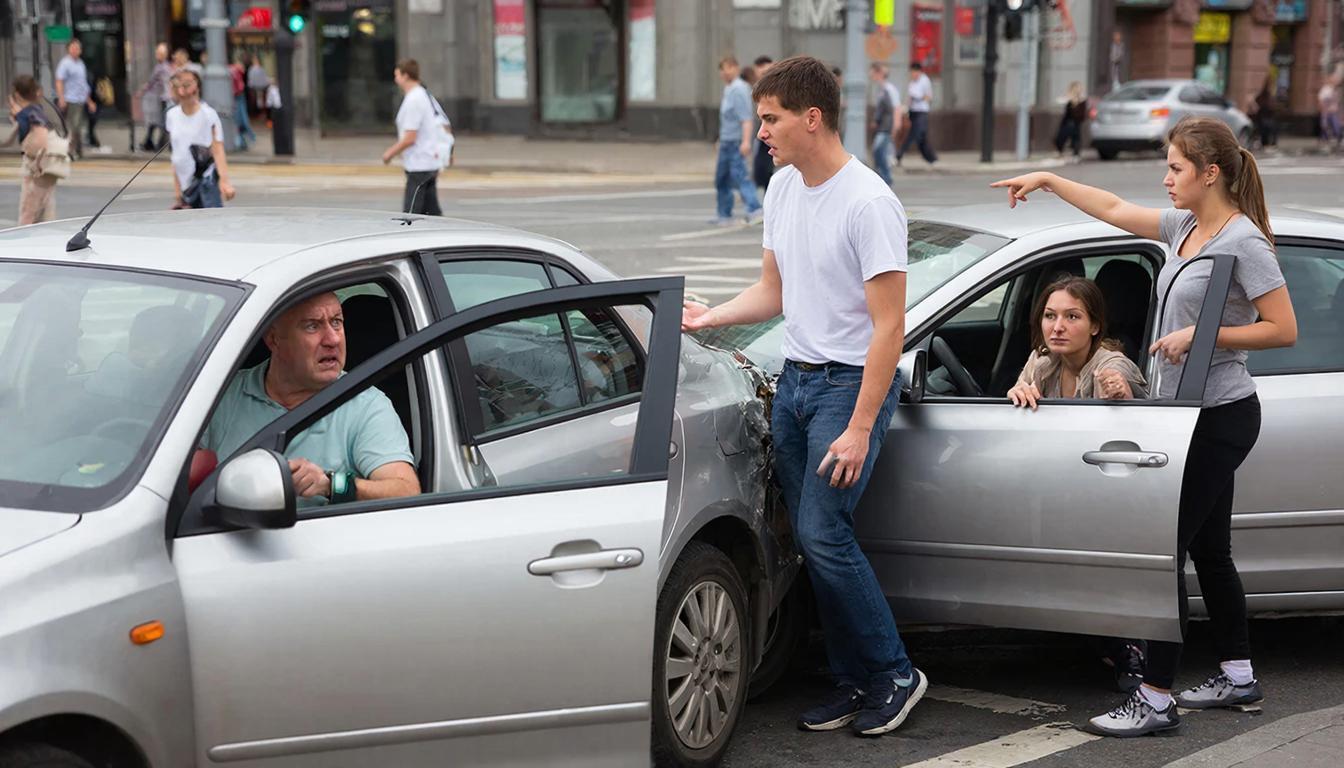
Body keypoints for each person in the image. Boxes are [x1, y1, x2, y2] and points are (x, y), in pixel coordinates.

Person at [992, 117, 1297, 738]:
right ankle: (1238, 675)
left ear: (1210, 173)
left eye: (1176, 168)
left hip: (1220, 414)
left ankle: (1155, 698)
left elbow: (1283, 329)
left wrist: (1200, 336)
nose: (1166, 178)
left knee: (1163, 556)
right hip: (1184, 414)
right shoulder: (1186, 227)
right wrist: (1049, 178)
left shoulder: (1244, 242)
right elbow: (1109, 205)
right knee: (1211, 551)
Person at [683, 56, 925, 737]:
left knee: (824, 532)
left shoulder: (870, 202)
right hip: (794, 383)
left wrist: (860, 424)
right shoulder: (785, 188)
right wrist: (710, 317)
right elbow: (775, 293)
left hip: (846, 388)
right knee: (811, 542)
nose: (761, 132)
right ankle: (853, 681)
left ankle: (895, 673)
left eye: (770, 119)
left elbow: (889, 327)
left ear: (810, 118)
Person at [201, 293, 420, 507]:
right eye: (312, 326)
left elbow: (406, 490)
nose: (332, 339)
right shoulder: (220, 395)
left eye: (336, 322)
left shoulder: (366, 405)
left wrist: (331, 485)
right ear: (274, 339)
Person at [1007, 276, 1147, 408]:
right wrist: (1017, 395)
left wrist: (1119, 390)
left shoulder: (1111, 364)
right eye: (1050, 316)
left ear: (1095, 326)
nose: (1057, 328)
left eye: (1072, 317)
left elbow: (1120, 384)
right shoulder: (1041, 359)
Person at [381, 59, 444, 216]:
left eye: (397, 75)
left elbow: (410, 137)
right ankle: (441, 236)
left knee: (410, 216)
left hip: (419, 165)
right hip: (427, 162)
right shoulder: (423, 95)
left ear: (406, 76)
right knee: (431, 214)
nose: (395, 80)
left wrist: (389, 153)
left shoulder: (414, 100)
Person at [165, 70, 236, 209]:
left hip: (205, 181)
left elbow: (218, 149)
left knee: (211, 225)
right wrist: (177, 189)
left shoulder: (208, 114)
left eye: (187, 84)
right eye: (179, 84)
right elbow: (176, 155)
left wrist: (224, 181)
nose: (183, 89)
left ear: (197, 87)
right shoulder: (171, 115)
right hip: (186, 186)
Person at [711, 56, 763, 226]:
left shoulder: (739, 89)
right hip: (727, 140)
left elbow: (746, 118)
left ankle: (755, 208)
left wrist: (746, 141)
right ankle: (724, 214)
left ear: (735, 68)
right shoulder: (729, 88)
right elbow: (727, 119)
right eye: (721, 69)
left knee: (740, 175)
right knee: (722, 178)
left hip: (735, 142)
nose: (723, 72)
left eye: (727, 68)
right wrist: (720, 139)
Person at [7, 75, 59, 225]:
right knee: (46, 214)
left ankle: (27, 246)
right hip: (46, 167)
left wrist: (36, 165)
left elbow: (41, 139)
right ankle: (47, 242)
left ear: (17, 94)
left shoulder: (30, 113)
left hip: (36, 168)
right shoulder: (35, 109)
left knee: (28, 215)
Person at [54, 39, 95, 159]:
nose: (76, 50)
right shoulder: (65, 63)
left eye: (78, 48)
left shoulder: (80, 64)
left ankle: (77, 150)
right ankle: (71, 151)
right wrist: (61, 98)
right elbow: (59, 81)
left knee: (77, 126)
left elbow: (82, 84)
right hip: (70, 99)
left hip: (80, 100)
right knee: (74, 126)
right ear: (68, 49)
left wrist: (89, 101)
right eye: (73, 48)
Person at [896, 61, 936, 168]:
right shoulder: (912, 83)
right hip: (913, 112)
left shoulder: (925, 80)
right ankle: (931, 158)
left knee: (917, 135)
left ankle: (900, 154)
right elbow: (909, 97)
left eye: (914, 72)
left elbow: (929, 97)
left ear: (918, 71)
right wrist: (906, 108)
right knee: (917, 136)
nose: (912, 74)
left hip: (922, 112)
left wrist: (918, 97)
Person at [138, 43, 174, 151]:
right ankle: (150, 142)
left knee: (162, 122)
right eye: (157, 53)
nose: (157, 55)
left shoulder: (163, 68)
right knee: (156, 121)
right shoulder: (161, 66)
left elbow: (156, 82)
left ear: (165, 54)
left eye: (160, 53)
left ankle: (160, 144)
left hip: (163, 98)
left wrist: (142, 90)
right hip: (159, 98)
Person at [868, 63, 895, 185]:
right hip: (882, 126)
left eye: (873, 72)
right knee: (879, 151)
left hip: (886, 126)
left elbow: (895, 108)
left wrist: (896, 125)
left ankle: (886, 177)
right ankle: (883, 176)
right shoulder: (881, 89)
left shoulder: (888, 89)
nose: (871, 75)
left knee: (878, 150)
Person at [752, 56, 776, 192]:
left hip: (771, 135)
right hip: (759, 136)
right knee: (759, 170)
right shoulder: (755, 90)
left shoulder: (776, 91)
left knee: (768, 169)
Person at [1054, 82, 1088, 160]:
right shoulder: (1068, 99)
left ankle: (1075, 154)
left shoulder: (1082, 100)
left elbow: (1081, 114)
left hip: (1076, 122)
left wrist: (1077, 101)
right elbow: (1059, 101)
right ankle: (1062, 151)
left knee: (1075, 138)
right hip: (1067, 122)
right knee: (1062, 137)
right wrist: (1070, 99)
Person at [230, 54, 257, 151]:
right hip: (239, 96)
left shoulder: (238, 70)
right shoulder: (237, 70)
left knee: (241, 119)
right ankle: (243, 141)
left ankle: (245, 140)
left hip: (239, 96)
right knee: (240, 120)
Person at [1251, 76, 1278, 150]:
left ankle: (1268, 143)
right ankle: (1266, 143)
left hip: (1266, 118)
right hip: (1263, 118)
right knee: (1267, 127)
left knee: (1272, 127)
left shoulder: (1269, 96)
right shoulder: (1266, 96)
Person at [1318, 73, 1342, 150]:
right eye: (1335, 80)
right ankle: (1325, 144)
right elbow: (1321, 101)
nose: (1337, 81)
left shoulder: (1335, 89)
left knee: (1336, 127)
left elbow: (1336, 102)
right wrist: (1324, 111)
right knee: (1325, 127)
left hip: (1334, 112)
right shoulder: (1326, 89)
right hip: (1327, 112)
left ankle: (1336, 142)